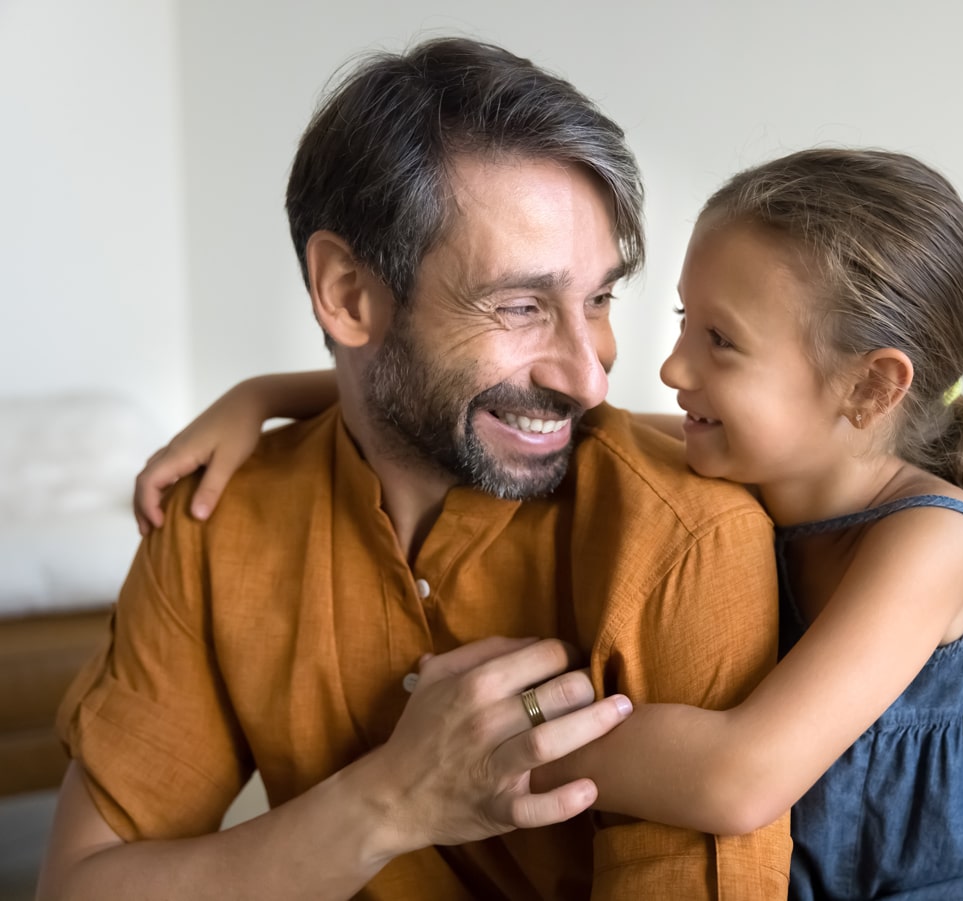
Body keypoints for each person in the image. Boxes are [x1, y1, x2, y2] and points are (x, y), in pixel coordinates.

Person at [138, 148, 963, 899]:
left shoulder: (929, 540)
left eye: (721, 342)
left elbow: (739, 777)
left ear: (869, 385)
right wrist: (262, 394)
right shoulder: (750, 453)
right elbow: (484, 397)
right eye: (684, 321)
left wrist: (465, 744)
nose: (671, 369)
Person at [39, 38, 791, 900]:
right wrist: (391, 800)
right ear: (349, 294)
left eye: (599, 299)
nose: (590, 375)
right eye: (520, 305)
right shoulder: (218, 522)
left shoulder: (682, 539)